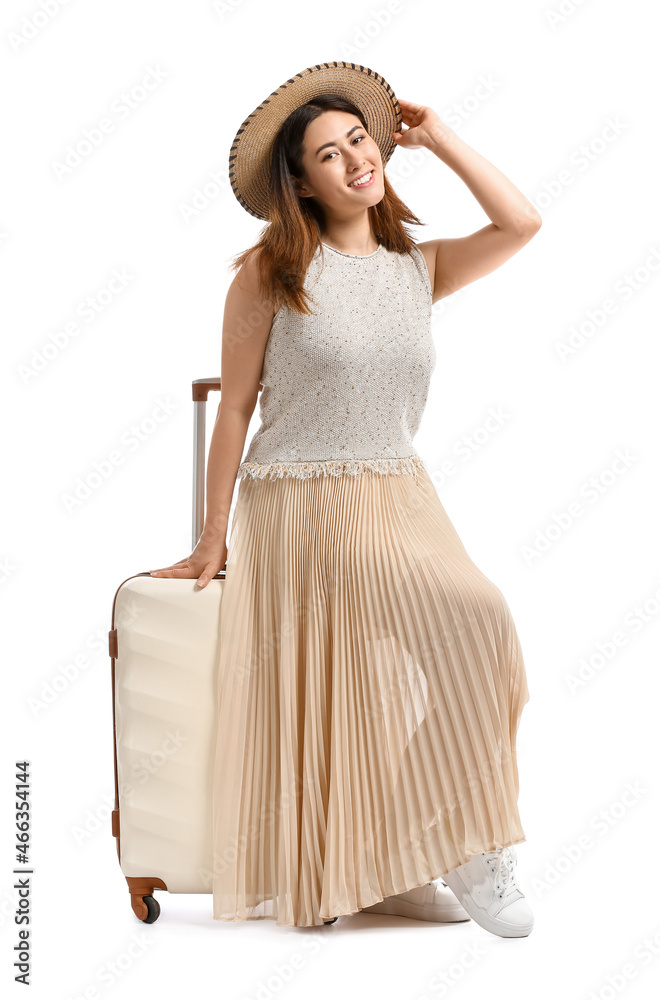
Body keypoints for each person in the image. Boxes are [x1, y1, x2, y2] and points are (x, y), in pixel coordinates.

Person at [149, 61, 541, 934]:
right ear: (301, 182)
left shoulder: (417, 268)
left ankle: (408, 848)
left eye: (360, 138)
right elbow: (239, 406)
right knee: (462, 627)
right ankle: (465, 851)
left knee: (485, 634)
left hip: (403, 496)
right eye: (330, 154)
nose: (356, 159)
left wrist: (435, 136)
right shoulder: (271, 273)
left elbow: (523, 221)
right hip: (303, 502)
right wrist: (213, 535)